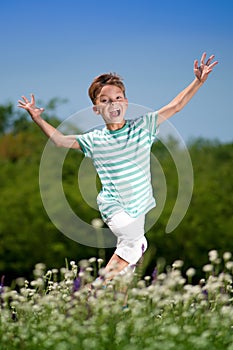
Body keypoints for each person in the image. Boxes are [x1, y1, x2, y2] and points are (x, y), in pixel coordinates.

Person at [18, 52, 218, 281]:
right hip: (115, 207)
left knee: (135, 247)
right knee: (133, 245)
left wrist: (198, 81)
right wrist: (37, 119)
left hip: (139, 206)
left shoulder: (143, 127)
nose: (112, 103)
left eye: (118, 97)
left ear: (125, 102)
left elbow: (177, 105)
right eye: (105, 100)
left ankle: (115, 299)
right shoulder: (94, 139)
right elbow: (60, 141)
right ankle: (97, 289)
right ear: (96, 109)